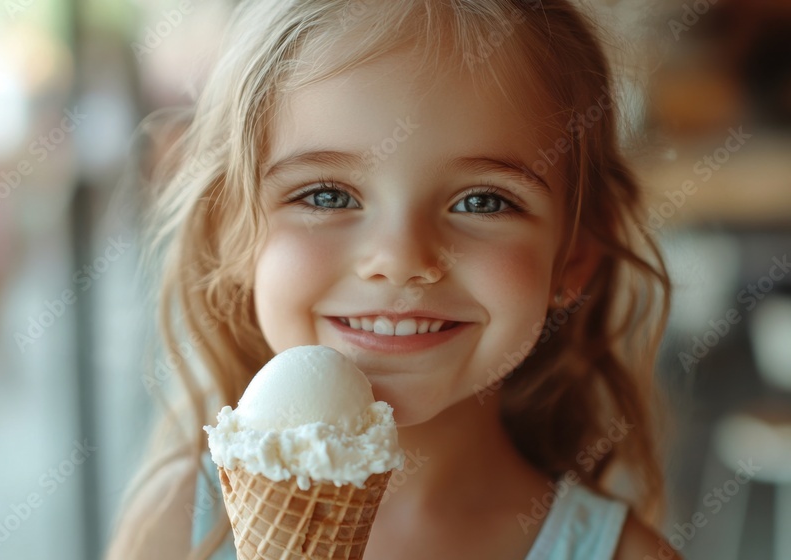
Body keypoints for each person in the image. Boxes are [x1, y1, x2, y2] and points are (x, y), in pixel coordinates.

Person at [107, 1, 680, 558]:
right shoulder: (177, 528)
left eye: (482, 201)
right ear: (233, 237)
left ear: (572, 258)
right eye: (326, 195)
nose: (401, 259)